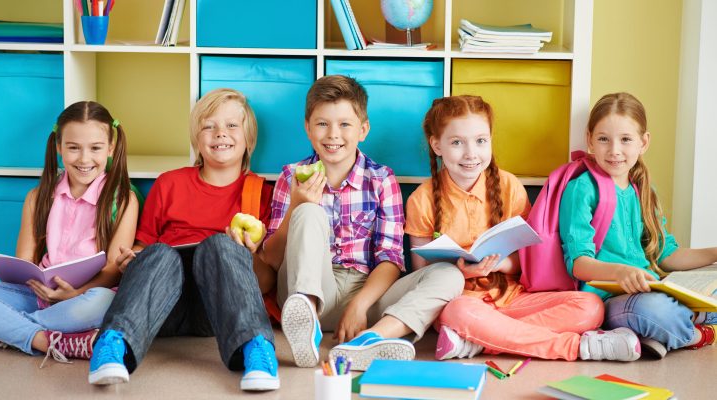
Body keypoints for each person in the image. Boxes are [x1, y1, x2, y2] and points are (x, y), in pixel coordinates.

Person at [411, 95, 640, 362]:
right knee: (458, 314)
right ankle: (576, 347)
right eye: (457, 143)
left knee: (590, 306)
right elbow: (421, 273)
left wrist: (499, 265)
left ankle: (481, 340)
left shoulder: (509, 186)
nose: (471, 153)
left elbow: (528, 260)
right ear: (437, 145)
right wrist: (462, 271)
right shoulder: (421, 199)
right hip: (462, 302)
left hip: (514, 298)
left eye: (481, 141)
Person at [259, 75, 464, 371]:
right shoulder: (291, 176)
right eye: (322, 124)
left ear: (363, 129)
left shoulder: (382, 180)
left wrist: (359, 305)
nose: (333, 135)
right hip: (309, 290)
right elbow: (273, 261)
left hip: (367, 295)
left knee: (449, 275)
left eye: (344, 124)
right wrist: (296, 206)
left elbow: (391, 258)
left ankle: (367, 341)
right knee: (308, 212)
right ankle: (307, 323)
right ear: (307, 128)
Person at [87, 88, 280, 391]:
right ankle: (113, 344)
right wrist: (132, 260)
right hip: (161, 304)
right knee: (160, 253)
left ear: (248, 138)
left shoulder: (260, 193)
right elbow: (143, 245)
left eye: (232, 125)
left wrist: (245, 254)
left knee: (220, 245)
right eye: (208, 126)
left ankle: (256, 347)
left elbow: (267, 283)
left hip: (217, 310)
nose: (220, 134)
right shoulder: (170, 183)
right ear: (196, 138)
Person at [559, 92, 717, 358]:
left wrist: (714, 254)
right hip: (610, 299)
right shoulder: (582, 190)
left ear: (643, 142)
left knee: (673, 301)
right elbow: (578, 263)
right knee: (654, 311)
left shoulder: (643, 190)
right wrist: (621, 273)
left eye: (625, 140)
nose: (614, 150)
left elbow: (666, 256)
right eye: (603, 139)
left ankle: (663, 333)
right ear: (589, 140)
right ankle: (697, 333)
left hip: (651, 287)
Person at [0, 101, 139, 366]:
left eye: (95, 148)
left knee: (104, 303)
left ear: (111, 148)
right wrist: (33, 281)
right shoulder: (38, 197)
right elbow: (25, 261)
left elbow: (113, 269)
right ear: (59, 147)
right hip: (36, 296)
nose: (84, 159)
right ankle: (45, 339)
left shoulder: (124, 199)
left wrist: (75, 293)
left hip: (85, 297)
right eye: (73, 148)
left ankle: (5, 331)